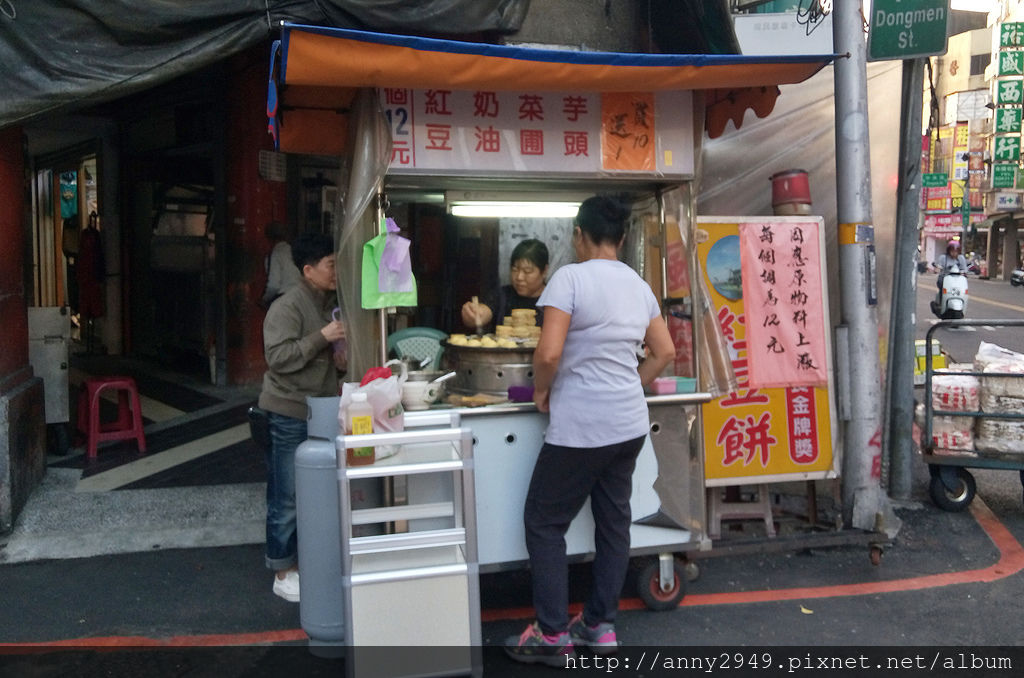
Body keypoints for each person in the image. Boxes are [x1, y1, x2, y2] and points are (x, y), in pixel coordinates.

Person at [504, 196, 675, 665]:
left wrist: (542, 392)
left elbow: (548, 354)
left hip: (582, 427)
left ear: (578, 235)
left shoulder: (570, 279)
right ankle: (599, 627)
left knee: (544, 522)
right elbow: (664, 352)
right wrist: (629, 384)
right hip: (627, 425)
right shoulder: (638, 285)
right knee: (614, 524)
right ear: (621, 238)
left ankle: (552, 633)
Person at [257, 232, 346, 602]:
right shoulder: (287, 305)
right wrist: (323, 338)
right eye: (330, 265)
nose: (336, 271)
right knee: (287, 494)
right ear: (308, 270)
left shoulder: (328, 303)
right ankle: (281, 570)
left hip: (321, 408)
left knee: (315, 491)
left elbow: (325, 358)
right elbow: (278, 357)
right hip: (288, 410)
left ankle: (307, 561)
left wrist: (339, 363)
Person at [461, 238, 549, 330]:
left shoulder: (553, 301)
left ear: (544, 271)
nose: (519, 277)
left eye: (527, 271)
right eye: (515, 269)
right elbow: (485, 310)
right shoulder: (502, 295)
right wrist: (474, 314)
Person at [262, 221, 303, 307]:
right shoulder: (296, 251)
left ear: (269, 238)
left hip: (284, 301)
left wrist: (264, 299)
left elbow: (274, 285)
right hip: (301, 297)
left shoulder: (275, 255)